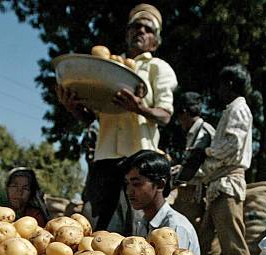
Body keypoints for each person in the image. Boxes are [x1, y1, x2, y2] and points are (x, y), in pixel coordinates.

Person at [57, 3, 177, 230]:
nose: (140, 31)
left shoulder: (157, 68)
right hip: (103, 160)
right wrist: (73, 107)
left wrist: (140, 108)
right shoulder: (109, 67)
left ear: (156, 41)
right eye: (135, 27)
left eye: (147, 29)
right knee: (95, 228)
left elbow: (165, 115)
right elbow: (94, 118)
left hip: (138, 161)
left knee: (133, 231)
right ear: (127, 33)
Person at [200, 65, 253, 255]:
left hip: (228, 184)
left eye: (221, 85)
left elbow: (232, 144)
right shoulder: (231, 109)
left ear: (229, 84)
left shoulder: (238, 109)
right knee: (205, 239)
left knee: (232, 241)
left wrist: (206, 151)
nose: (218, 90)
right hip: (218, 183)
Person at [121, 150, 200, 255]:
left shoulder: (175, 227)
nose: (129, 191)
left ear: (160, 185)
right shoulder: (142, 223)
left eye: (136, 184)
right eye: (127, 184)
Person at [171, 92, 215, 227]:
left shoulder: (203, 132)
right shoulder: (194, 132)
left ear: (184, 112)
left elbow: (198, 167)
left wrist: (178, 177)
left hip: (197, 192)